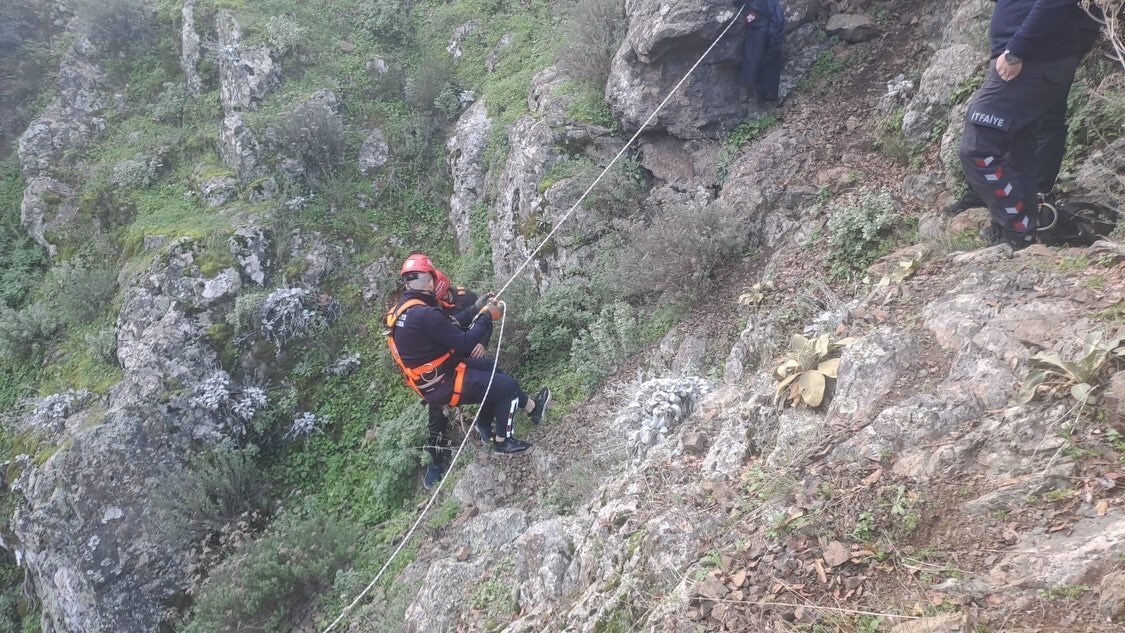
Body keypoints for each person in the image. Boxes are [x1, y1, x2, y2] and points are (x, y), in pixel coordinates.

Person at [384, 254, 551, 489]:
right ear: (430, 280)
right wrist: (485, 315)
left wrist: (475, 308)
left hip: (437, 377)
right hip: (444, 383)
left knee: (491, 367)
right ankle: (503, 441)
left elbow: (447, 327)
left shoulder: (405, 311)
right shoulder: (425, 314)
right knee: (507, 387)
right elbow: (463, 342)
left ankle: (531, 409)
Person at [957, 0, 1102, 247]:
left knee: (977, 148)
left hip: (1030, 59)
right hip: (1033, 58)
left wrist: (1018, 50)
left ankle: (1018, 232)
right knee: (1019, 150)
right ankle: (1018, 235)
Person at [733, 0, 785, 106]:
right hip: (763, 16)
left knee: (756, 53)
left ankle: (759, 91)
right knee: (763, 53)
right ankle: (766, 93)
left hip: (761, 16)